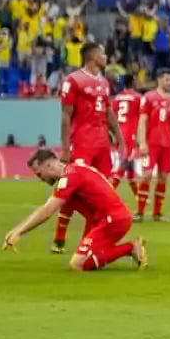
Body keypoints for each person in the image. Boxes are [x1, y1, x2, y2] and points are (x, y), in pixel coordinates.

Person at [3, 149, 147, 271]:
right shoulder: (75, 171)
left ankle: (130, 247)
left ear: (48, 165)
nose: (41, 179)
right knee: (88, 259)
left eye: (39, 174)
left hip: (111, 221)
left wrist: (19, 231)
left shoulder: (71, 177)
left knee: (78, 264)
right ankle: (125, 250)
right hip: (109, 219)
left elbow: (47, 211)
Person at [54, 42, 124, 254]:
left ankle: (88, 242)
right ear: (92, 56)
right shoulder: (73, 80)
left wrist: (118, 135)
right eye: (102, 53)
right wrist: (65, 149)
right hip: (82, 142)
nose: (106, 56)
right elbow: (66, 115)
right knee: (73, 190)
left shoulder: (103, 82)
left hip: (102, 144)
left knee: (102, 193)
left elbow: (108, 111)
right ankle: (59, 237)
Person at [137, 70, 170, 222]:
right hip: (151, 143)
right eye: (167, 80)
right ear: (159, 79)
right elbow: (142, 120)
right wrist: (142, 142)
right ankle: (140, 212)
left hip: (167, 144)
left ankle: (157, 213)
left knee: (163, 177)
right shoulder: (148, 97)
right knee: (147, 175)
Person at [110, 82, 143, 199]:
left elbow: (111, 116)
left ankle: (138, 195)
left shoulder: (117, 98)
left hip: (119, 133)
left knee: (130, 165)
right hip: (129, 134)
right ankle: (108, 191)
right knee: (125, 163)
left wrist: (114, 135)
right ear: (133, 83)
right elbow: (143, 116)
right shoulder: (137, 97)